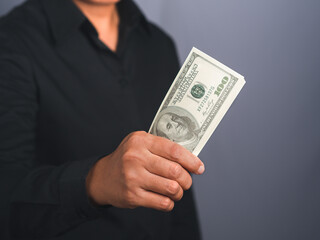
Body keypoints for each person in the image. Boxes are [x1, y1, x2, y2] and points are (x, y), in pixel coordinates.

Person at [0, 0, 204, 239]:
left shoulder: (160, 45)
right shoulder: (11, 41)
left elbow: (178, 195)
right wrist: (94, 182)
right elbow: (7, 201)